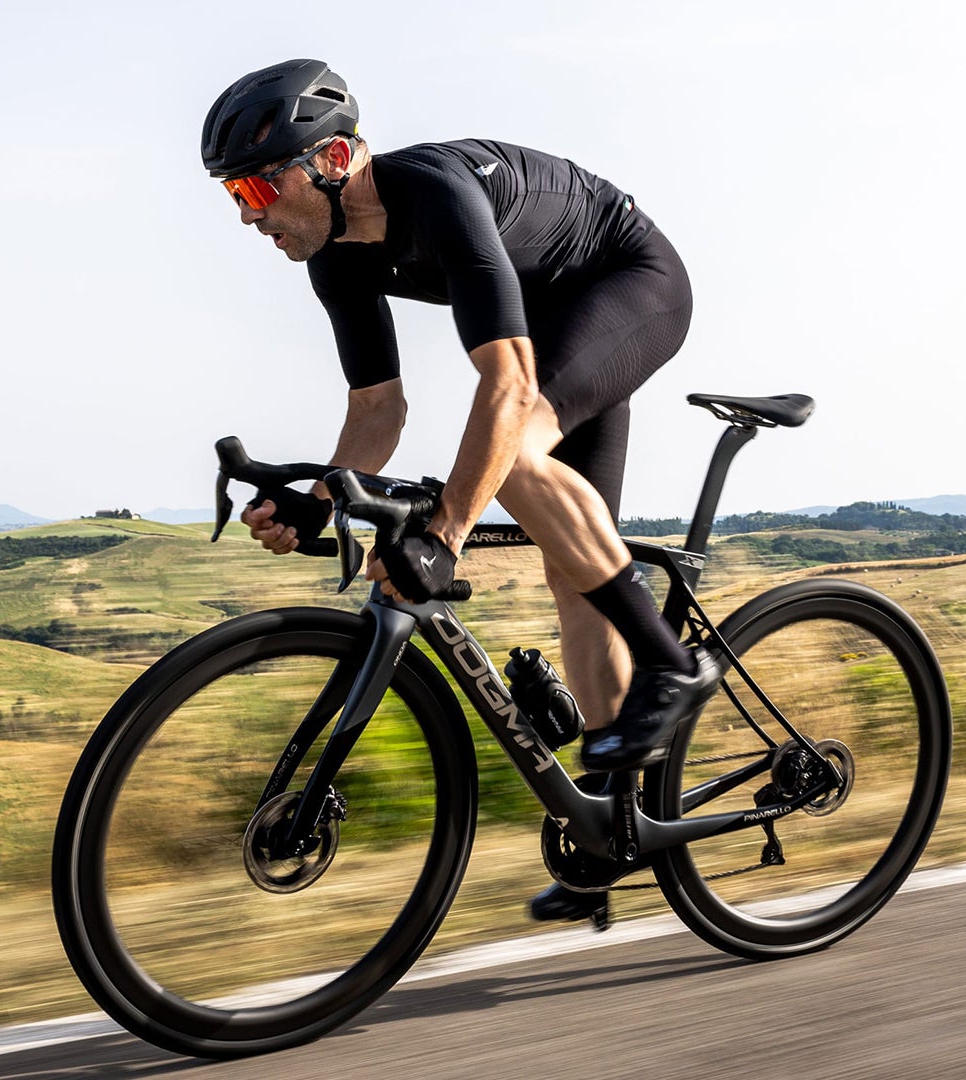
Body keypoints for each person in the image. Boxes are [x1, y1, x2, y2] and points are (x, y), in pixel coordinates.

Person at [204, 58, 719, 923]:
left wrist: (445, 534)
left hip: (629, 283)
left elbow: (508, 387)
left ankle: (672, 667)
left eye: (258, 188)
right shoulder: (334, 258)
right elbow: (378, 411)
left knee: (511, 455)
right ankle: (612, 834)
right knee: (574, 574)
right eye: (234, 195)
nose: (249, 216)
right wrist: (315, 501)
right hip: (554, 322)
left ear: (334, 161)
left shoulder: (438, 193)